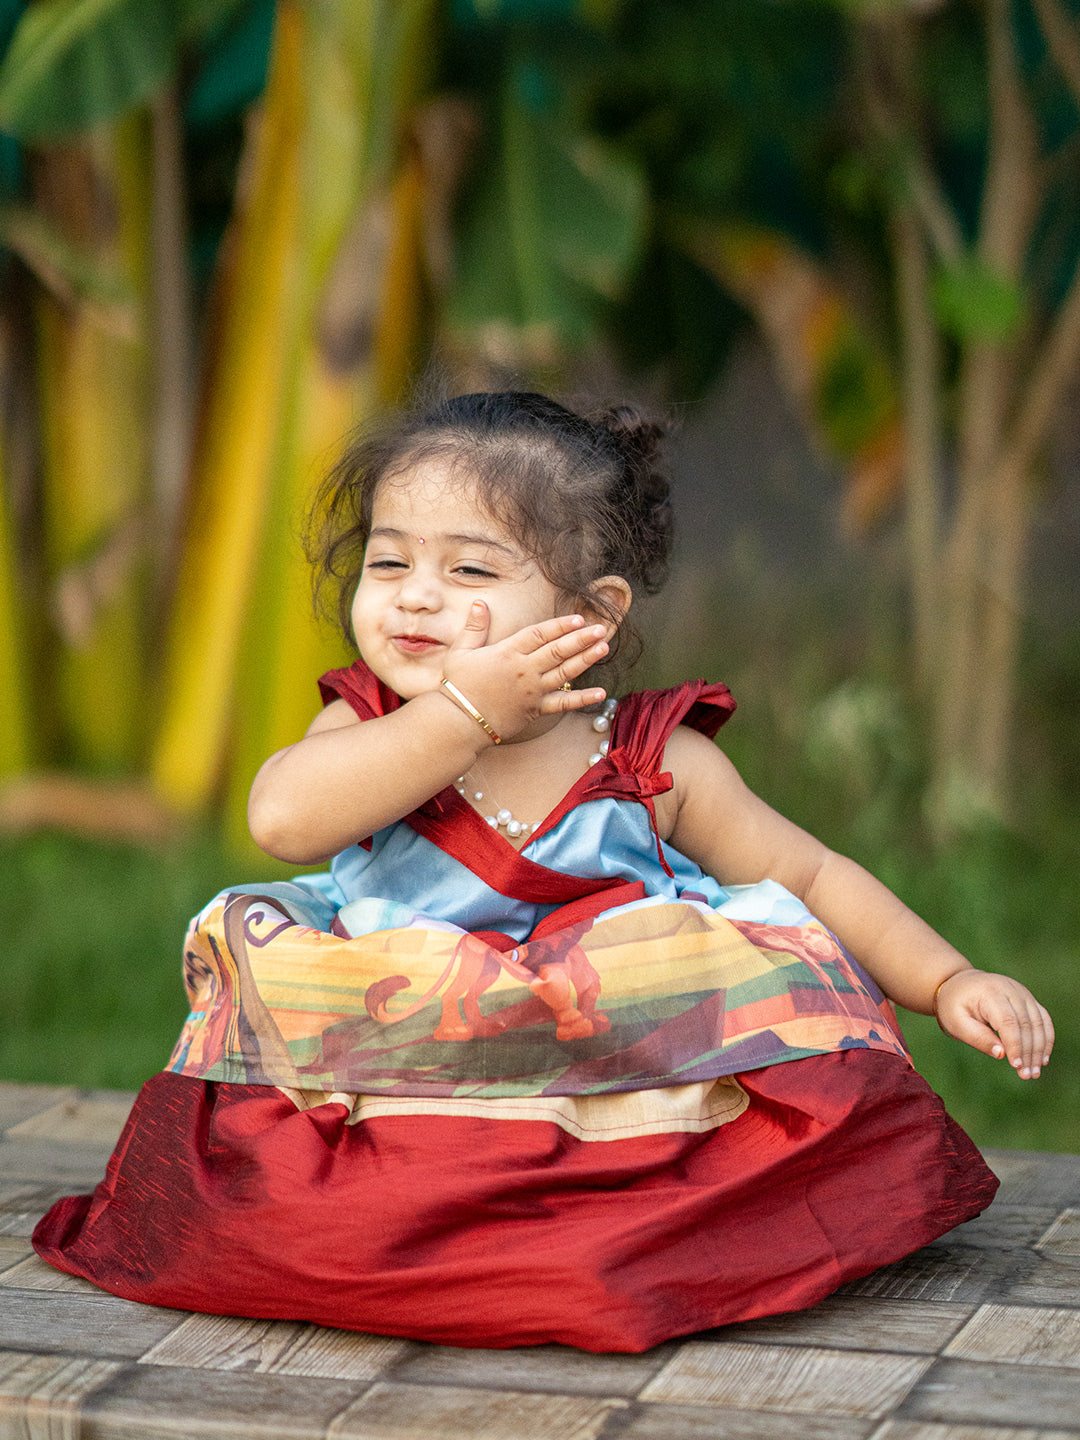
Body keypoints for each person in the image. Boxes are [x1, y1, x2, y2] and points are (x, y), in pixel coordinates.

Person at [34, 391, 1054, 1353]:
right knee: (292, 1117)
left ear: (592, 615)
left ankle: (645, 1236)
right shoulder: (373, 727)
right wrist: (461, 716)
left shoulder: (652, 761)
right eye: (388, 565)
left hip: (608, 1079)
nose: (416, 599)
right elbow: (285, 819)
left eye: (471, 573)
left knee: (757, 960)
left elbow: (816, 877)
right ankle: (387, 1240)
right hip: (406, 1065)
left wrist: (945, 979)